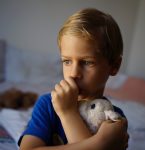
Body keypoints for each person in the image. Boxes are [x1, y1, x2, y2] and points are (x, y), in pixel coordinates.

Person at [18, 8, 129, 150]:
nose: (73, 73)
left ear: (114, 66)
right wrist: (100, 144)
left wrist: (68, 113)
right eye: (67, 61)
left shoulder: (113, 118)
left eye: (87, 62)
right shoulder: (48, 104)